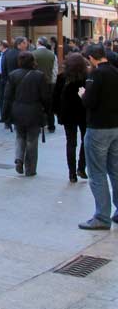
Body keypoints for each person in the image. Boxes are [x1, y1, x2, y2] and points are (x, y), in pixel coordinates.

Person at [77, 44, 118, 230]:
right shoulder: (115, 72)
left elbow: (89, 102)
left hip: (99, 127)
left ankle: (102, 216)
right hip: (115, 126)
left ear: (92, 58)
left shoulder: (96, 75)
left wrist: (83, 94)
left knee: (97, 173)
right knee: (115, 171)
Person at [4, 51, 50, 177]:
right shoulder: (39, 76)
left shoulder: (13, 75)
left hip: (17, 109)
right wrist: (48, 112)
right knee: (32, 140)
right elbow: (45, 97)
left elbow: (7, 96)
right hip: (34, 110)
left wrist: (5, 114)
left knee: (19, 136)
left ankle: (19, 158)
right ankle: (30, 168)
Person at [54, 52, 88, 183]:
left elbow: (55, 97)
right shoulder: (86, 77)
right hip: (83, 113)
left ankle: (72, 173)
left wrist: (57, 112)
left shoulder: (62, 77)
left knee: (71, 142)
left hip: (68, 114)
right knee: (85, 141)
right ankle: (81, 167)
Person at [34, 37, 57, 132]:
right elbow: (55, 70)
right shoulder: (52, 54)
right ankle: (51, 125)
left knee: (37, 105)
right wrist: (53, 82)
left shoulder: (33, 54)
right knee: (49, 106)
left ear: (39, 43)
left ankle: (39, 125)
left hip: (36, 83)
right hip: (48, 83)